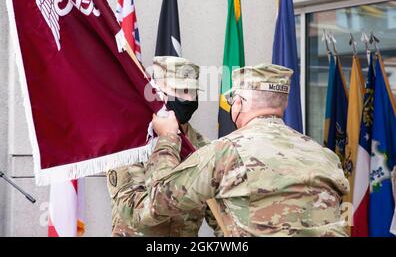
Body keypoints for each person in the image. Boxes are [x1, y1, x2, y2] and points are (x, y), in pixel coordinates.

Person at [140, 63, 350, 237]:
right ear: (282, 105)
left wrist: (167, 138)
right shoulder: (325, 156)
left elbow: (161, 199)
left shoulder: (227, 151)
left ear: (239, 103)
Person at [106, 56, 219, 236]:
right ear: (156, 92)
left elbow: (221, 218)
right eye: (179, 90)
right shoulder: (129, 146)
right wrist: (168, 139)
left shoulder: (203, 147)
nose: (187, 98)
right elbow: (136, 215)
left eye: (191, 91)